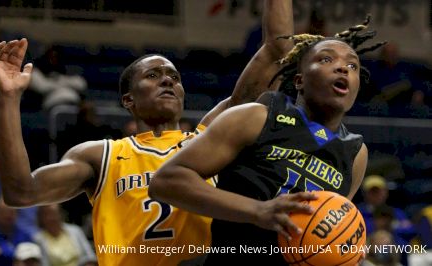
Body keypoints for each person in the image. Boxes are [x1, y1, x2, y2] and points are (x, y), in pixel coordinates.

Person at [0, 0, 294, 264]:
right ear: (128, 100)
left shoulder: (210, 138)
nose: (167, 81)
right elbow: (20, 191)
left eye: (174, 77)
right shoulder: (102, 155)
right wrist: (8, 99)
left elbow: (276, 53)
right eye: (153, 75)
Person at [149, 13, 386, 265]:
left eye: (353, 66)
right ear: (299, 80)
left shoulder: (356, 153)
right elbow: (166, 181)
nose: (342, 68)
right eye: (326, 59)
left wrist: (343, 249)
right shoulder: (257, 116)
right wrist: (257, 211)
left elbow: (329, 226)